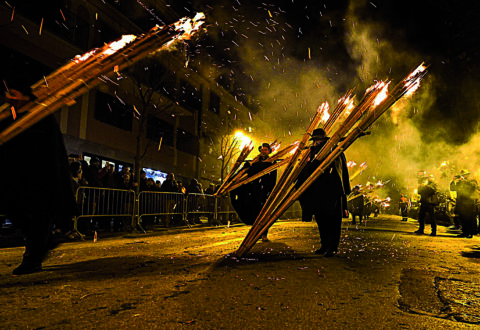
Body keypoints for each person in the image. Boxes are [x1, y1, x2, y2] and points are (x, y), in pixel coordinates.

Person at [0, 89, 78, 275]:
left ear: (25, 95)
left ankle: (32, 259)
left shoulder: (41, 117)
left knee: (39, 218)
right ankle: (46, 242)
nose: (9, 97)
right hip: (17, 180)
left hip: (42, 180)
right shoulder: (8, 118)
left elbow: (53, 152)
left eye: (14, 93)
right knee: (14, 212)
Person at [296, 128, 351, 257]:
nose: (316, 142)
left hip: (332, 192)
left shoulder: (333, 150)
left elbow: (338, 170)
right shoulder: (312, 152)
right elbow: (307, 169)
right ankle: (324, 244)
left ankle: (332, 247)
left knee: (333, 221)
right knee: (321, 220)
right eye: (315, 140)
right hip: (318, 193)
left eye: (318, 140)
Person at [230, 142, 277, 242]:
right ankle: (257, 232)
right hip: (254, 190)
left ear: (269, 151)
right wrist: (247, 166)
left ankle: (264, 233)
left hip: (264, 191)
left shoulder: (272, 162)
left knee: (264, 213)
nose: (263, 151)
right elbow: (247, 172)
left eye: (265, 149)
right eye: (262, 149)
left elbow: (273, 178)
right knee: (255, 211)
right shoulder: (254, 162)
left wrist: (269, 190)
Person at [450, 169, 478, 238]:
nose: (463, 176)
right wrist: (453, 181)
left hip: (469, 203)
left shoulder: (472, 181)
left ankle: (470, 233)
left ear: (467, 175)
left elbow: (473, 186)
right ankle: (464, 232)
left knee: (469, 218)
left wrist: (464, 181)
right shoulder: (460, 182)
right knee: (462, 219)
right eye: (462, 175)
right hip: (461, 203)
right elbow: (453, 188)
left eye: (464, 175)